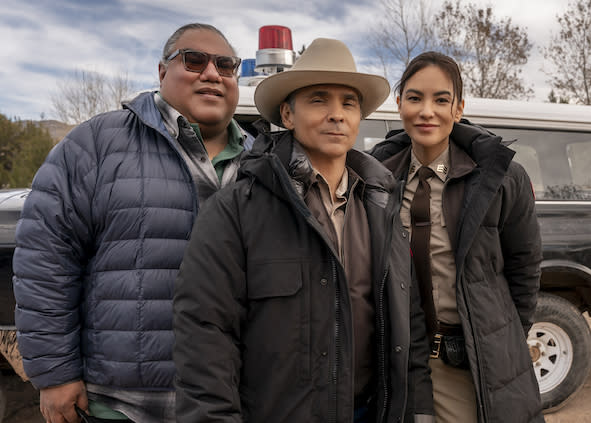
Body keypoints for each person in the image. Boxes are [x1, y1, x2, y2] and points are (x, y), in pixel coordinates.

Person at [173, 38, 434, 423]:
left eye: (349, 103)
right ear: (288, 115)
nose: (337, 115)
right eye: (318, 100)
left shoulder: (382, 208)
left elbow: (407, 326)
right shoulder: (237, 209)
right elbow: (205, 336)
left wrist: (419, 412)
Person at [13, 23, 251, 423]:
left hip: (233, 397)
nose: (212, 73)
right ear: (162, 72)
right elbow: (45, 261)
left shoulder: (262, 161)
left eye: (226, 65)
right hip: (121, 403)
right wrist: (55, 374)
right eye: (194, 60)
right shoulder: (96, 144)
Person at [369, 51, 544, 423]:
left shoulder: (500, 178)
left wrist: (501, 338)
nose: (426, 111)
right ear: (399, 105)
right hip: (402, 359)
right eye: (414, 98)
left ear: (459, 108)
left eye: (441, 99)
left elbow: (524, 268)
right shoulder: (376, 179)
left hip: (471, 356)